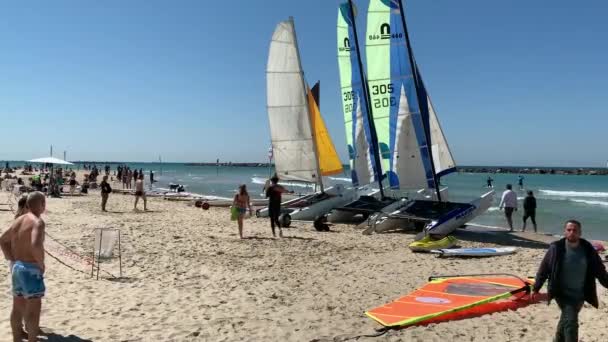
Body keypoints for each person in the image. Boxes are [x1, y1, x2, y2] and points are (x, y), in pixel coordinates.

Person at [532, 220, 608, 342]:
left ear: (580, 233)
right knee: (571, 322)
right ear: (565, 231)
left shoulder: (588, 249)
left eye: (575, 230)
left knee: (566, 320)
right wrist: (536, 287)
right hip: (562, 293)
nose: (572, 232)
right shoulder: (556, 248)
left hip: (580, 294)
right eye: (569, 230)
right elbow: (544, 268)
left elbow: (599, 269)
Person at [0, 192, 46, 342]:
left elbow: (3, 239)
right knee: (33, 310)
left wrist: (10, 257)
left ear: (27, 204)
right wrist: (41, 263)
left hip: (17, 266)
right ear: (42, 205)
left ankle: (16, 339)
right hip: (30, 268)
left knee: (17, 307)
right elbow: (35, 244)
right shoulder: (37, 222)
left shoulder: (18, 220)